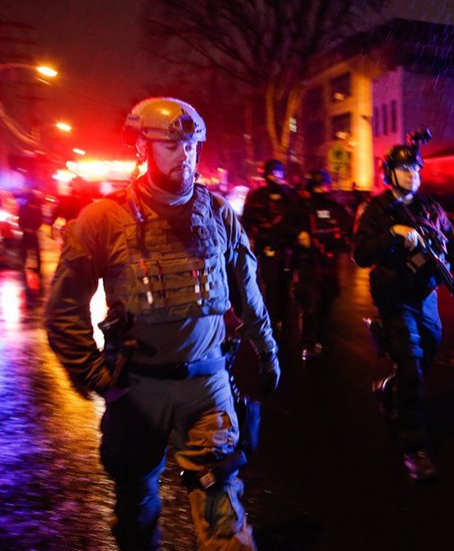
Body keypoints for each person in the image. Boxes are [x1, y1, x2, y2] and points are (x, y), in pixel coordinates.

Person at [44, 97, 281, 550]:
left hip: (208, 383)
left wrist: (267, 352)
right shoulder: (102, 220)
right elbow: (63, 310)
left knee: (222, 507)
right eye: (171, 144)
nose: (185, 153)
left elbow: (249, 293)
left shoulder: (218, 214)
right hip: (138, 388)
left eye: (191, 144)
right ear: (142, 147)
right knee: (136, 507)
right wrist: (95, 374)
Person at [353, 142, 454, 481]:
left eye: (417, 169)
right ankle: (415, 447)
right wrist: (393, 235)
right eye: (407, 169)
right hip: (395, 297)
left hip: (426, 296)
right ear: (390, 173)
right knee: (411, 368)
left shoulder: (432, 209)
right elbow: (361, 254)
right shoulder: (377, 210)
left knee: (427, 352)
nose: (414, 175)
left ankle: (390, 388)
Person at [290, 169, 352, 360]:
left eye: (323, 185)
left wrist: (342, 242)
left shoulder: (336, 208)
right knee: (310, 303)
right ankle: (308, 343)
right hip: (308, 264)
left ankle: (323, 340)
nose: (320, 189)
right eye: (317, 186)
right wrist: (298, 235)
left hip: (329, 265)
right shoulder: (300, 208)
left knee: (326, 304)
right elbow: (284, 229)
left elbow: (347, 230)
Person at [241, 159, 300, 342]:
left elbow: (298, 220)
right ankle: (273, 322)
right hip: (267, 249)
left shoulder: (289, 196)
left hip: (286, 250)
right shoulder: (257, 196)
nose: (276, 176)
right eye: (273, 172)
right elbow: (247, 221)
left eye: (278, 172)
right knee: (272, 285)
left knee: (284, 285)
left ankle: (283, 321)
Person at [18, 188, 44, 274]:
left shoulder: (24, 207)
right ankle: (38, 267)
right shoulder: (37, 207)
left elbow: (21, 218)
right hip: (33, 231)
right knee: (35, 250)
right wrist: (34, 229)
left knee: (24, 249)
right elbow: (39, 220)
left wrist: (23, 227)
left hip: (27, 231)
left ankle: (22, 265)